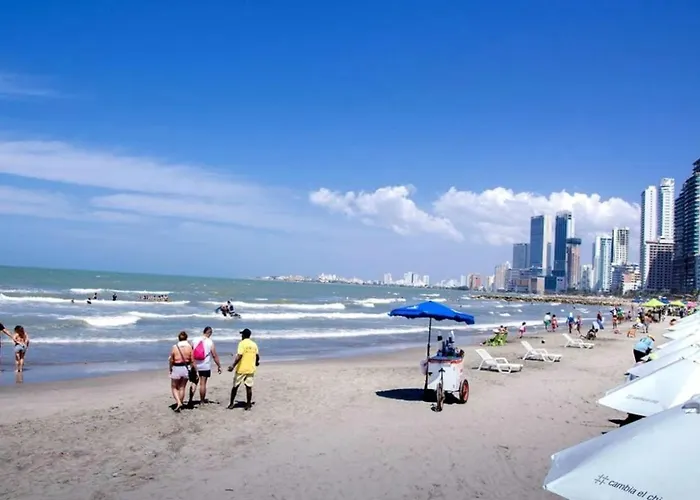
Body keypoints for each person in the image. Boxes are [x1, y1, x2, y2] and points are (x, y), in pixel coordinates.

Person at [227, 328, 259, 411]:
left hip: (241, 368)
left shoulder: (242, 343)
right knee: (249, 387)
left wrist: (233, 366)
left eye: (242, 334)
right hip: (250, 368)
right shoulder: (254, 344)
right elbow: (257, 356)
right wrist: (256, 363)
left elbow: (239, 356)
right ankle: (248, 404)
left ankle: (231, 404)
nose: (241, 336)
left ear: (244, 335)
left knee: (235, 386)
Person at [189, 326, 222, 405]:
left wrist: (189, 363)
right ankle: (202, 401)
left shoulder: (195, 340)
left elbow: (190, 352)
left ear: (203, 332)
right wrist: (219, 366)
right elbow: (214, 355)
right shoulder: (210, 342)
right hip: (205, 365)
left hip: (195, 365)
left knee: (194, 382)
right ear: (209, 333)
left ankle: (190, 400)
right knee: (203, 384)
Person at [169, 331, 195, 412]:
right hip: (186, 368)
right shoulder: (189, 347)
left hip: (177, 367)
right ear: (186, 338)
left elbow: (171, 359)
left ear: (178, 338)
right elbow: (192, 360)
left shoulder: (175, 347)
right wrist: (194, 370)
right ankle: (180, 402)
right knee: (182, 387)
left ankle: (179, 402)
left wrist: (170, 368)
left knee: (174, 387)